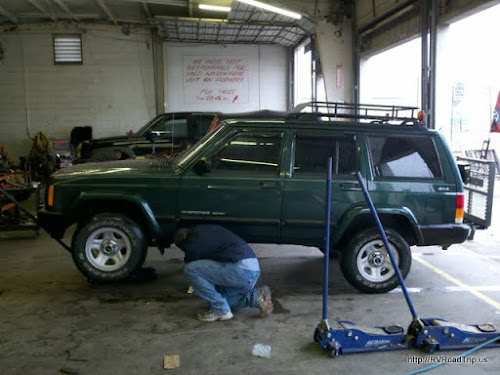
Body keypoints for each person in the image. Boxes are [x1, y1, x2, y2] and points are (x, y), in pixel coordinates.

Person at [173, 224, 273, 322]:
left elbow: (196, 271)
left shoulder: (192, 246)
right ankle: (257, 297)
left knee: (190, 269)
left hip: (240, 270)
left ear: (183, 244)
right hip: (252, 270)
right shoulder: (205, 228)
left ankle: (220, 310)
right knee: (227, 301)